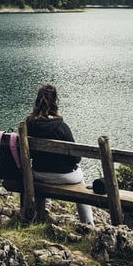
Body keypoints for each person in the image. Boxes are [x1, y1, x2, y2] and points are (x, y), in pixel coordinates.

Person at [26, 83, 94, 226]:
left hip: (38, 174)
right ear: (55, 102)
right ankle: (88, 224)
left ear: (37, 101)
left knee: (45, 168)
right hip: (65, 177)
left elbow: (28, 154)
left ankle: (45, 205)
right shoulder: (62, 127)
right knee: (81, 179)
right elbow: (76, 157)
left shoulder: (29, 124)